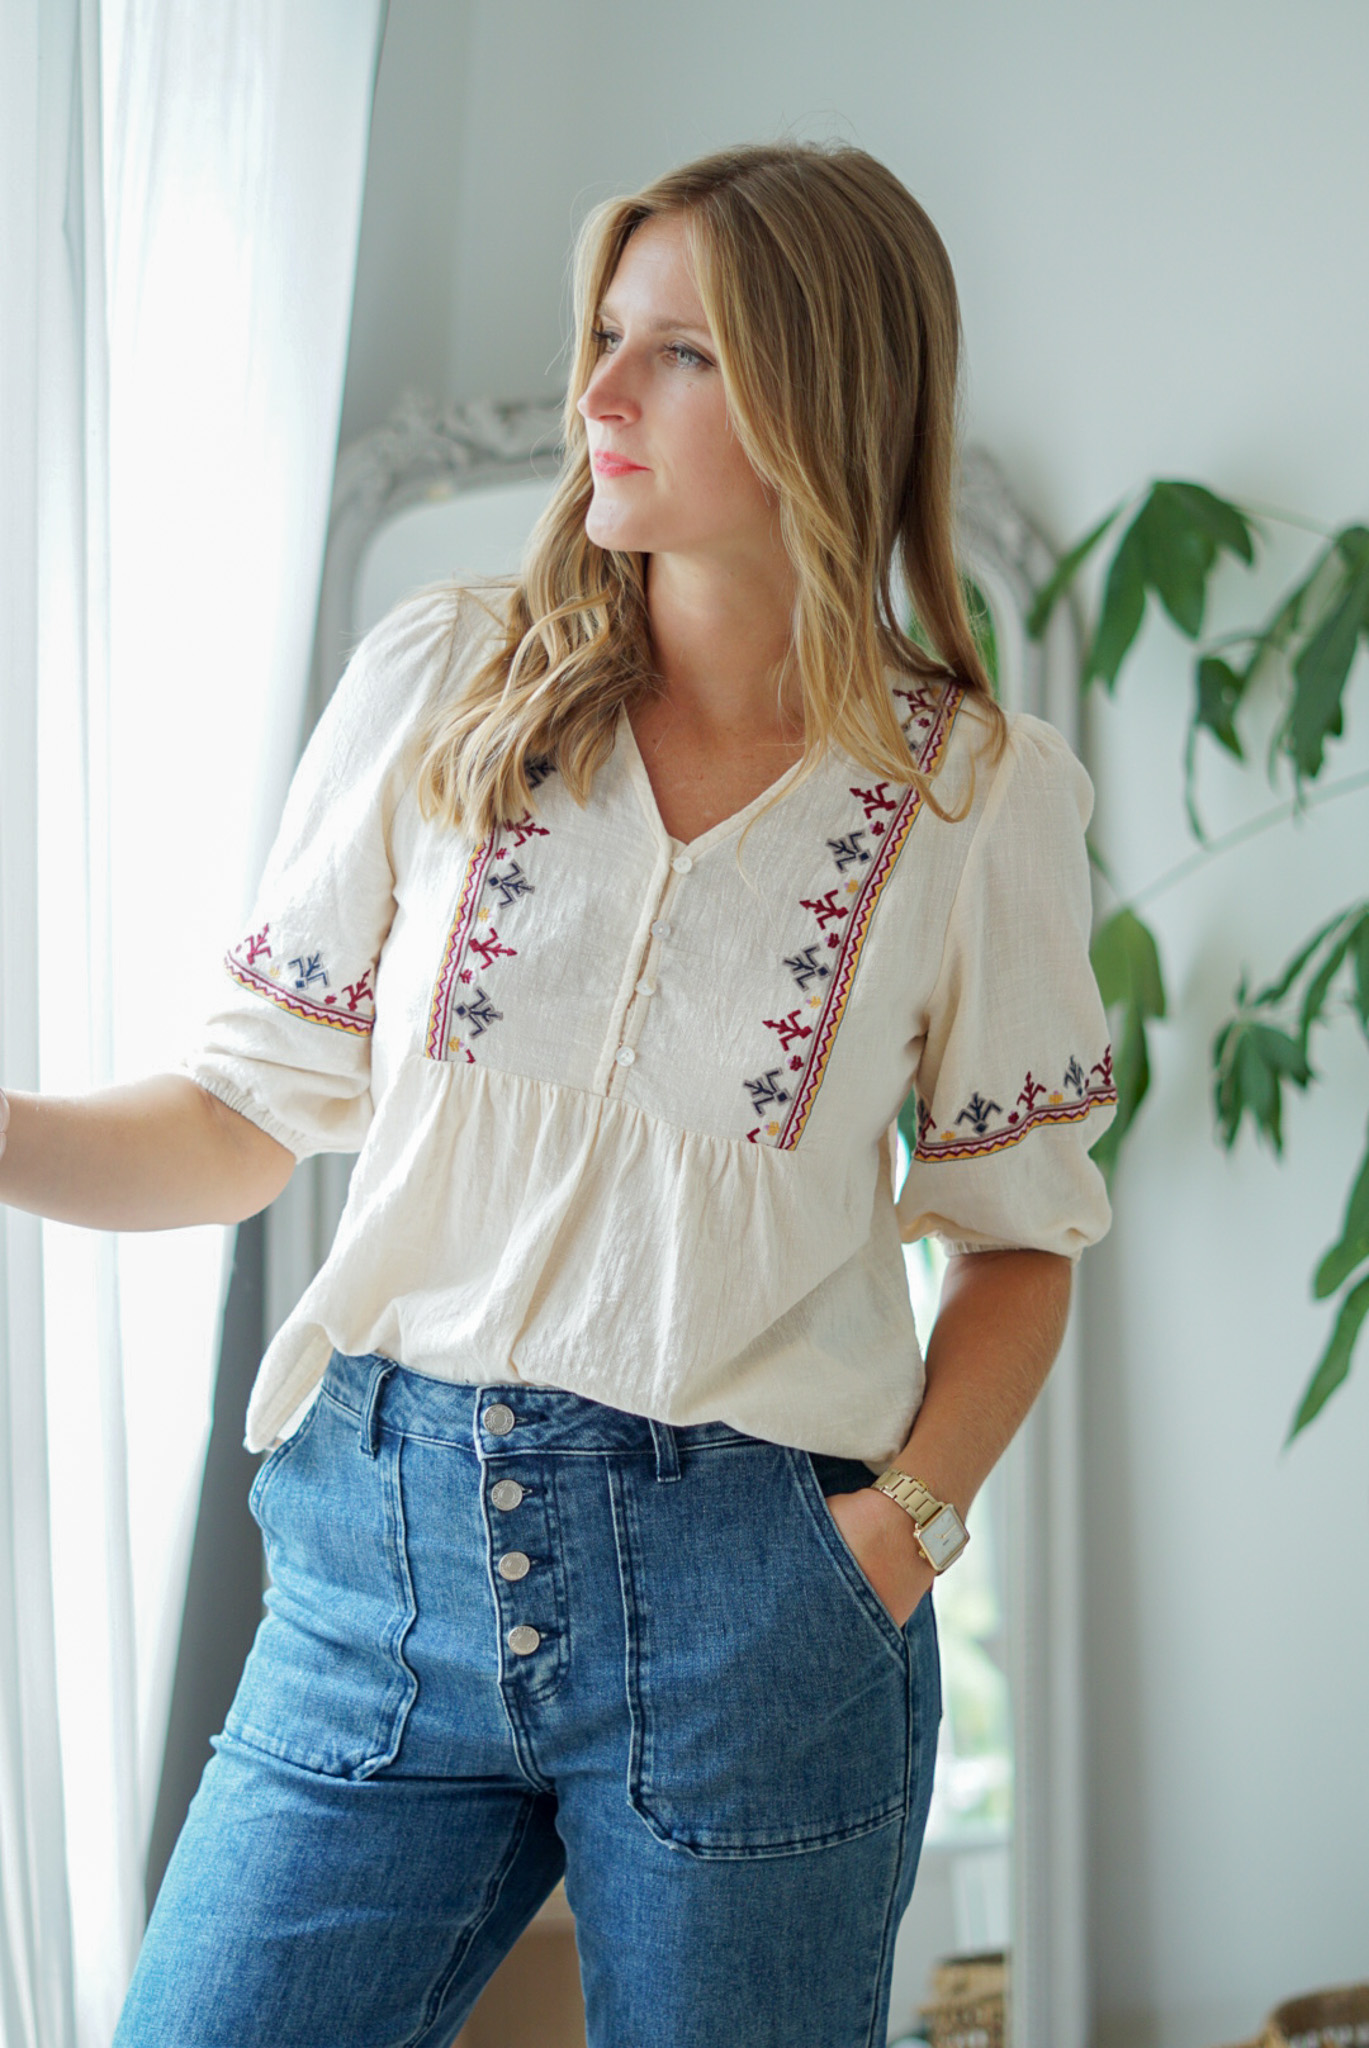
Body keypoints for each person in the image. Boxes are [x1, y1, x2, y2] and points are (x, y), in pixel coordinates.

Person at [0, 139, 1117, 2047]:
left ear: (827, 394)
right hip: (382, 1567)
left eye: (676, 353)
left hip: (758, 1594)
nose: (598, 393)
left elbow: (1020, 1240)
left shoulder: (972, 799)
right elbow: (235, 1124)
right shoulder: (446, 680)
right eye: (605, 334)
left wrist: (894, 1538)